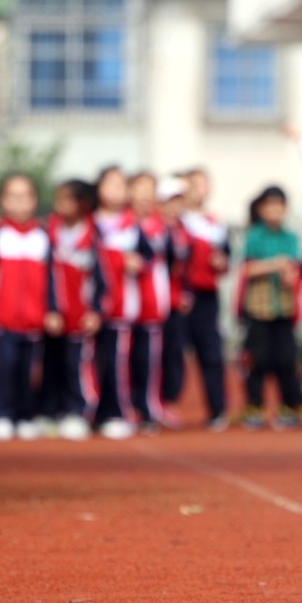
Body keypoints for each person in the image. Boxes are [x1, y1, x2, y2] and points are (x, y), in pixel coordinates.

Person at [0, 173, 62, 441]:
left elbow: (52, 279)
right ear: (2, 201)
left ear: (34, 201)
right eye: (13, 197)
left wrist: (53, 310)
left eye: (25, 197)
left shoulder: (43, 235)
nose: (19, 203)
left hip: (34, 318)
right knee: (5, 366)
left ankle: (24, 415)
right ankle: (2, 414)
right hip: (4, 317)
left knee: (29, 370)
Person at [238, 185, 302, 429]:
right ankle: (255, 406)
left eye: (280, 206)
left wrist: (290, 276)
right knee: (257, 359)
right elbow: (247, 268)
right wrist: (274, 265)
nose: (275, 211)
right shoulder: (254, 236)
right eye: (270, 206)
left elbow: (296, 270)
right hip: (259, 309)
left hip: (284, 309)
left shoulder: (290, 238)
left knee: (287, 360)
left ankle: (289, 406)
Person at [39, 178, 103, 440]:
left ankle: (80, 412)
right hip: (52, 316)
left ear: (83, 204)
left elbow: (102, 277)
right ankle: (51, 412)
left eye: (67, 199)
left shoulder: (94, 235)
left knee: (77, 366)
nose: (60, 205)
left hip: (81, 316)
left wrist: (96, 309)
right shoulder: (47, 231)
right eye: (58, 199)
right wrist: (48, 309)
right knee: (50, 365)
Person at [94, 165, 152, 440]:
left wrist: (137, 262)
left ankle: (116, 412)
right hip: (88, 311)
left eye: (121, 184)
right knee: (86, 363)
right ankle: (86, 411)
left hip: (120, 308)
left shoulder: (132, 226)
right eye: (111, 183)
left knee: (117, 363)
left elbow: (148, 257)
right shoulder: (90, 223)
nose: (117, 190)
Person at [180, 167, 230, 431]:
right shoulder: (176, 220)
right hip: (178, 297)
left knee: (211, 354)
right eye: (192, 184)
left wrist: (220, 261)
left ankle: (217, 409)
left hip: (206, 296)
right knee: (172, 354)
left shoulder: (215, 223)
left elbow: (226, 259)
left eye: (201, 184)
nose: (197, 190)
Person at [128, 171, 173, 433]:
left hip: (152, 304)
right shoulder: (119, 224)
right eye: (139, 189)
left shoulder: (162, 227)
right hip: (122, 303)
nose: (145, 196)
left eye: (150, 190)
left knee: (149, 360)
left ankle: (147, 407)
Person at [156, 176, 190, 429]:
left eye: (178, 201)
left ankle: (169, 400)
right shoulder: (154, 230)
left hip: (176, 304)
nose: (174, 208)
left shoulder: (184, 232)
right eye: (169, 202)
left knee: (174, 354)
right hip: (154, 303)